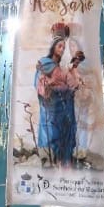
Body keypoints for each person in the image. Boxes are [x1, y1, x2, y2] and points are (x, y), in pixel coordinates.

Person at [35, 25, 84, 167]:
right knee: (53, 133)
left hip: (64, 105)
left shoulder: (62, 68)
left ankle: (65, 161)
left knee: (67, 130)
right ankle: (53, 161)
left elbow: (70, 84)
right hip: (51, 106)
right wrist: (51, 87)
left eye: (64, 47)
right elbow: (39, 83)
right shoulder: (44, 63)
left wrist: (72, 87)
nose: (62, 49)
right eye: (59, 46)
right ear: (53, 47)